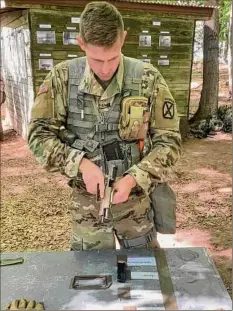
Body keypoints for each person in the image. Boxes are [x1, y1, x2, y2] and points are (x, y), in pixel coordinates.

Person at [28, 1, 181, 251]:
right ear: (81, 44)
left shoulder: (148, 78)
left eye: (113, 57)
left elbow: (170, 142)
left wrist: (134, 178)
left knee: (146, 279)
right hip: (87, 210)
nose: (107, 67)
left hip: (136, 207)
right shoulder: (62, 78)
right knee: (92, 281)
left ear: (123, 38)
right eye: (97, 59)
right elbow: (38, 135)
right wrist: (81, 164)